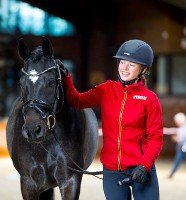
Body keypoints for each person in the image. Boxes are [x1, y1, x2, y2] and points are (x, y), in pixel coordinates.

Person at [58, 39, 163, 200]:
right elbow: (76, 101)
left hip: (141, 169)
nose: (124, 68)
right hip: (113, 172)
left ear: (143, 69)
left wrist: (144, 166)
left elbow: (155, 138)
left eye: (131, 64)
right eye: (122, 62)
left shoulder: (150, 99)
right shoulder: (106, 89)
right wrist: (67, 77)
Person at [163, 112, 186, 178]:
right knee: (177, 160)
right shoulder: (182, 127)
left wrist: (175, 138)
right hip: (182, 148)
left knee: (177, 160)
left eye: (176, 121)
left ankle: (171, 174)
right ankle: (171, 174)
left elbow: (180, 138)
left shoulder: (183, 128)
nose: (176, 122)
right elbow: (175, 130)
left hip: (183, 148)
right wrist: (165, 131)